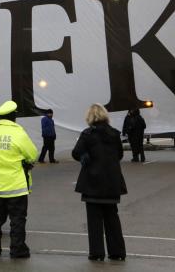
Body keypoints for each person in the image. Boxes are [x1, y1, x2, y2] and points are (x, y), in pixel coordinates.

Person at [0, 100, 38, 259]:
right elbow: (32, 154)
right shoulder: (18, 132)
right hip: (15, 187)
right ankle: (17, 249)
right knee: (17, 220)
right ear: (13, 116)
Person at [73, 103, 127, 262]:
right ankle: (117, 252)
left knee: (94, 221)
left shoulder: (87, 134)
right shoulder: (114, 134)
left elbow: (76, 153)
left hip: (92, 183)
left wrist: (85, 155)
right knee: (112, 218)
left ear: (90, 117)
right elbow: (119, 155)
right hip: (111, 182)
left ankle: (97, 253)